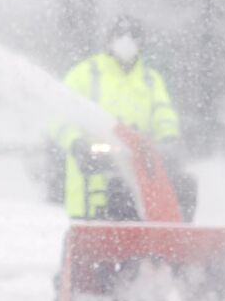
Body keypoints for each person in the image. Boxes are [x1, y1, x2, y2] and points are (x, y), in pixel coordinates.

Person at [52, 15, 192, 220]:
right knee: (97, 249)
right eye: (120, 34)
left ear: (142, 41)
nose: (127, 41)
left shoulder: (150, 79)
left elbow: (163, 114)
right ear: (109, 40)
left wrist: (169, 139)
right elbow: (59, 116)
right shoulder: (85, 74)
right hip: (90, 194)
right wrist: (76, 143)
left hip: (141, 186)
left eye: (133, 35)